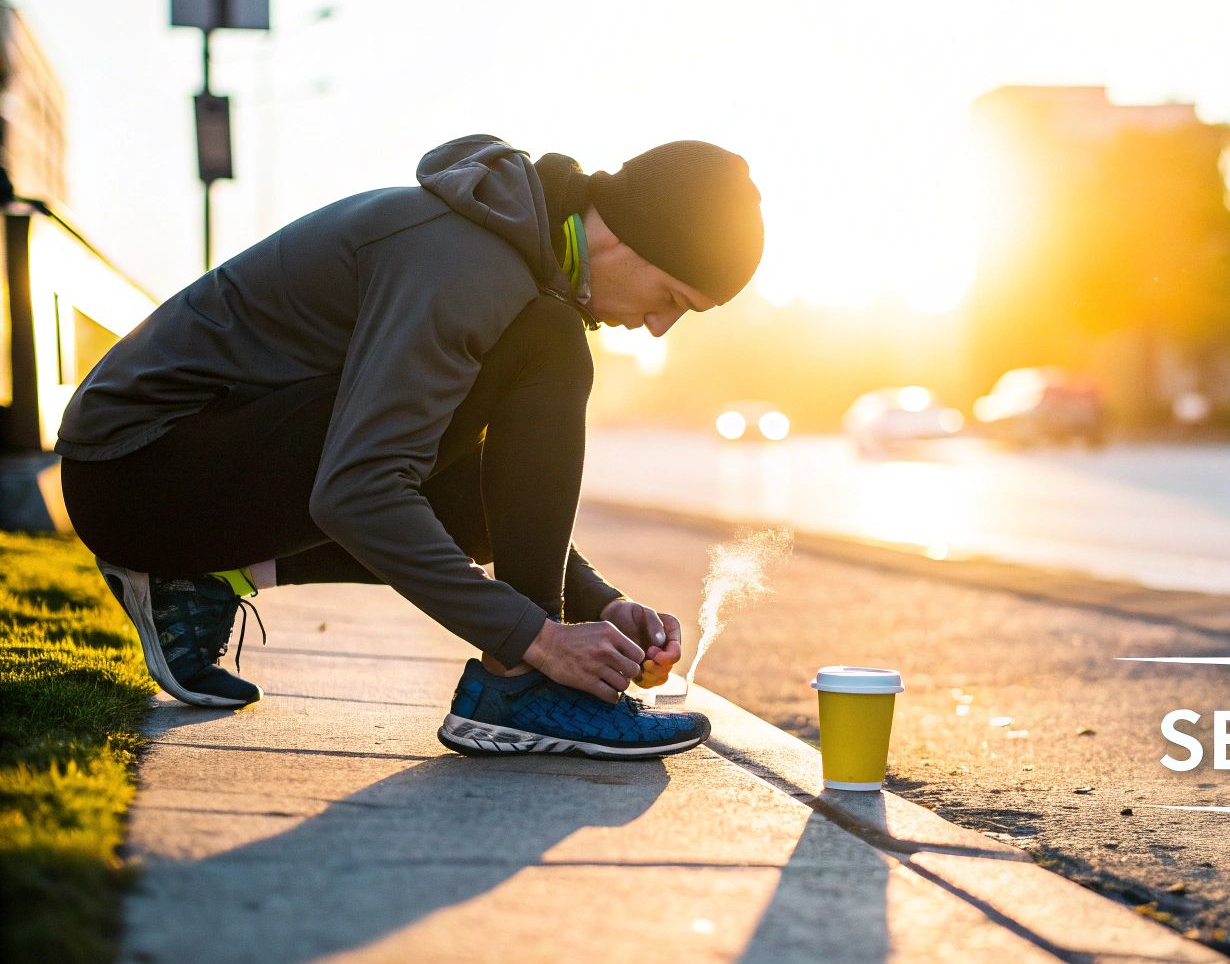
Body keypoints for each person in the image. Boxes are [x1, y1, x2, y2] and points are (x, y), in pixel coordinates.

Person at [54, 134, 764, 760]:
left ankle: (202, 580)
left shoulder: (502, 251)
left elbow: (482, 494)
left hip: (164, 473)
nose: (660, 327)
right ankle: (516, 690)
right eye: (673, 297)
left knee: (493, 448)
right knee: (548, 346)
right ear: (627, 238)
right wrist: (538, 643)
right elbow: (358, 492)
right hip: (139, 472)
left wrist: (596, 604)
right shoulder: (465, 262)